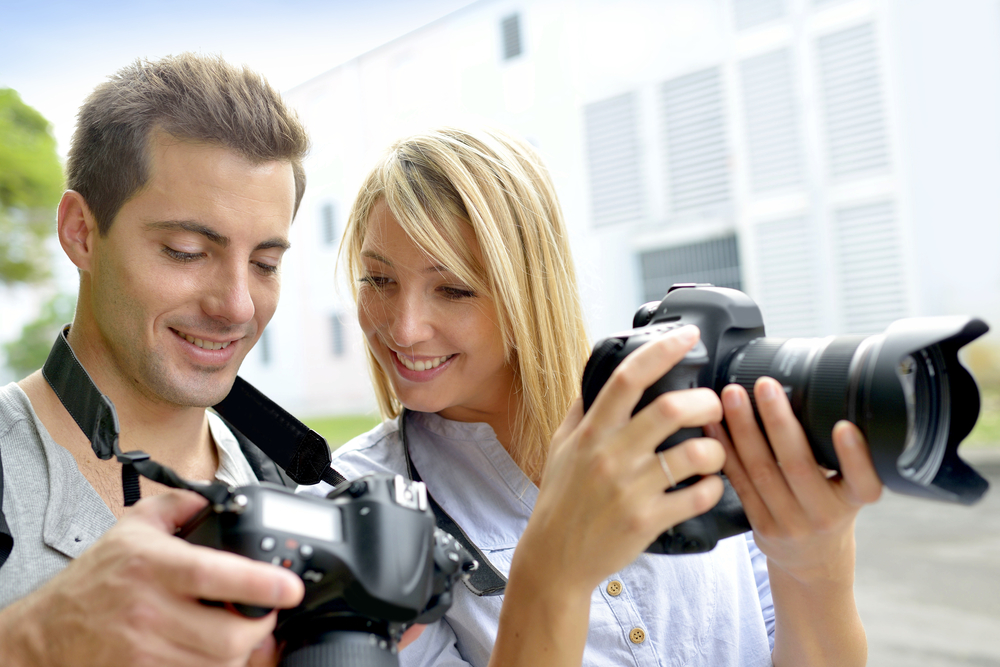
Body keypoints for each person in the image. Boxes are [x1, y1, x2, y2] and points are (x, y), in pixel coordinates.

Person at [301, 126, 884, 666]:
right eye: (378, 280)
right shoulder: (353, 512)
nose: (403, 329)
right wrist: (553, 573)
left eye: (452, 289)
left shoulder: (692, 418)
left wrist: (818, 568)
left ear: (531, 288)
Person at [0, 54, 310, 666]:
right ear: (81, 233)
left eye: (266, 264)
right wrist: (33, 642)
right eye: (187, 251)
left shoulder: (289, 482)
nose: (237, 306)